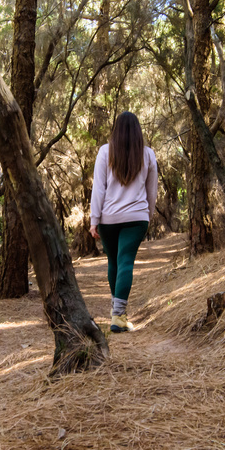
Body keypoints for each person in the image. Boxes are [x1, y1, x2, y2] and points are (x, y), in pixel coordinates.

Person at [90, 111, 158, 333]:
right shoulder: (148, 155)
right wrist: (149, 214)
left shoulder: (104, 152)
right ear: (138, 132)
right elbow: (152, 191)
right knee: (125, 261)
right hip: (136, 218)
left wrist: (94, 219)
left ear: (116, 131)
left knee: (114, 262)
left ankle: (117, 312)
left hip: (108, 219)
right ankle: (118, 315)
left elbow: (98, 189)